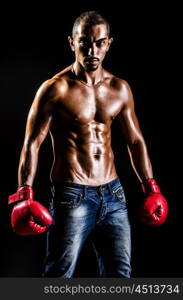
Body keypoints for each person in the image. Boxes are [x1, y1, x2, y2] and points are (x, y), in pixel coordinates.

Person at [8, 11, 168, 278]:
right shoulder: (55, 89)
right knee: (59, 277)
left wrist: (151, 186)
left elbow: (136, 141)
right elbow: (32, 143)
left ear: (108, 43)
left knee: (120, 276)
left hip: (115, 195)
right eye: (84, 42)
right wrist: (24, 193)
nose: (92, 50)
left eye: (99, 42)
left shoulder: (119, 89)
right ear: (72, 42)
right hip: (72, 195)